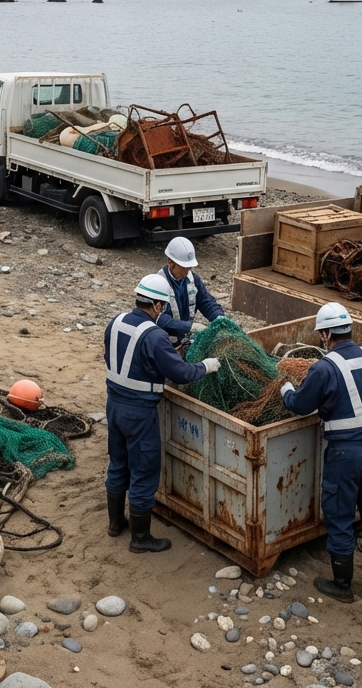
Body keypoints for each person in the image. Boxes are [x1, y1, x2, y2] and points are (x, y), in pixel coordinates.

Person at [280, 302, 362, 602]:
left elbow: (301, 405)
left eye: (322, 333)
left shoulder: (324, 367)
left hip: (346, 454)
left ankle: (342, 586)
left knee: (340, 515)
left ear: (327, 333)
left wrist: (285, 392)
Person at [104, 272, 221, 553]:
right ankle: (140, 539)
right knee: (144, 470)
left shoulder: (116, 322)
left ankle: (116, 523)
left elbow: (120, 359)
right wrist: (206, 365)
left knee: (118, 462)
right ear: (157, 306)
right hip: (139, 412)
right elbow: (180, 374)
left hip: (114, 406)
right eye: (163, 307)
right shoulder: (155, 336)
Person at [156, 236, 225, 348]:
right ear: (170, 262)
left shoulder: (193, 279)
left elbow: (206, 301)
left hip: (184, 340)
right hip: (164, 342)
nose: (188, 270)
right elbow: (159, 318)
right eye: (185, 266)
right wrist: (189, 327)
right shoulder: (158, 283)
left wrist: (218, 317)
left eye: (189, 267)